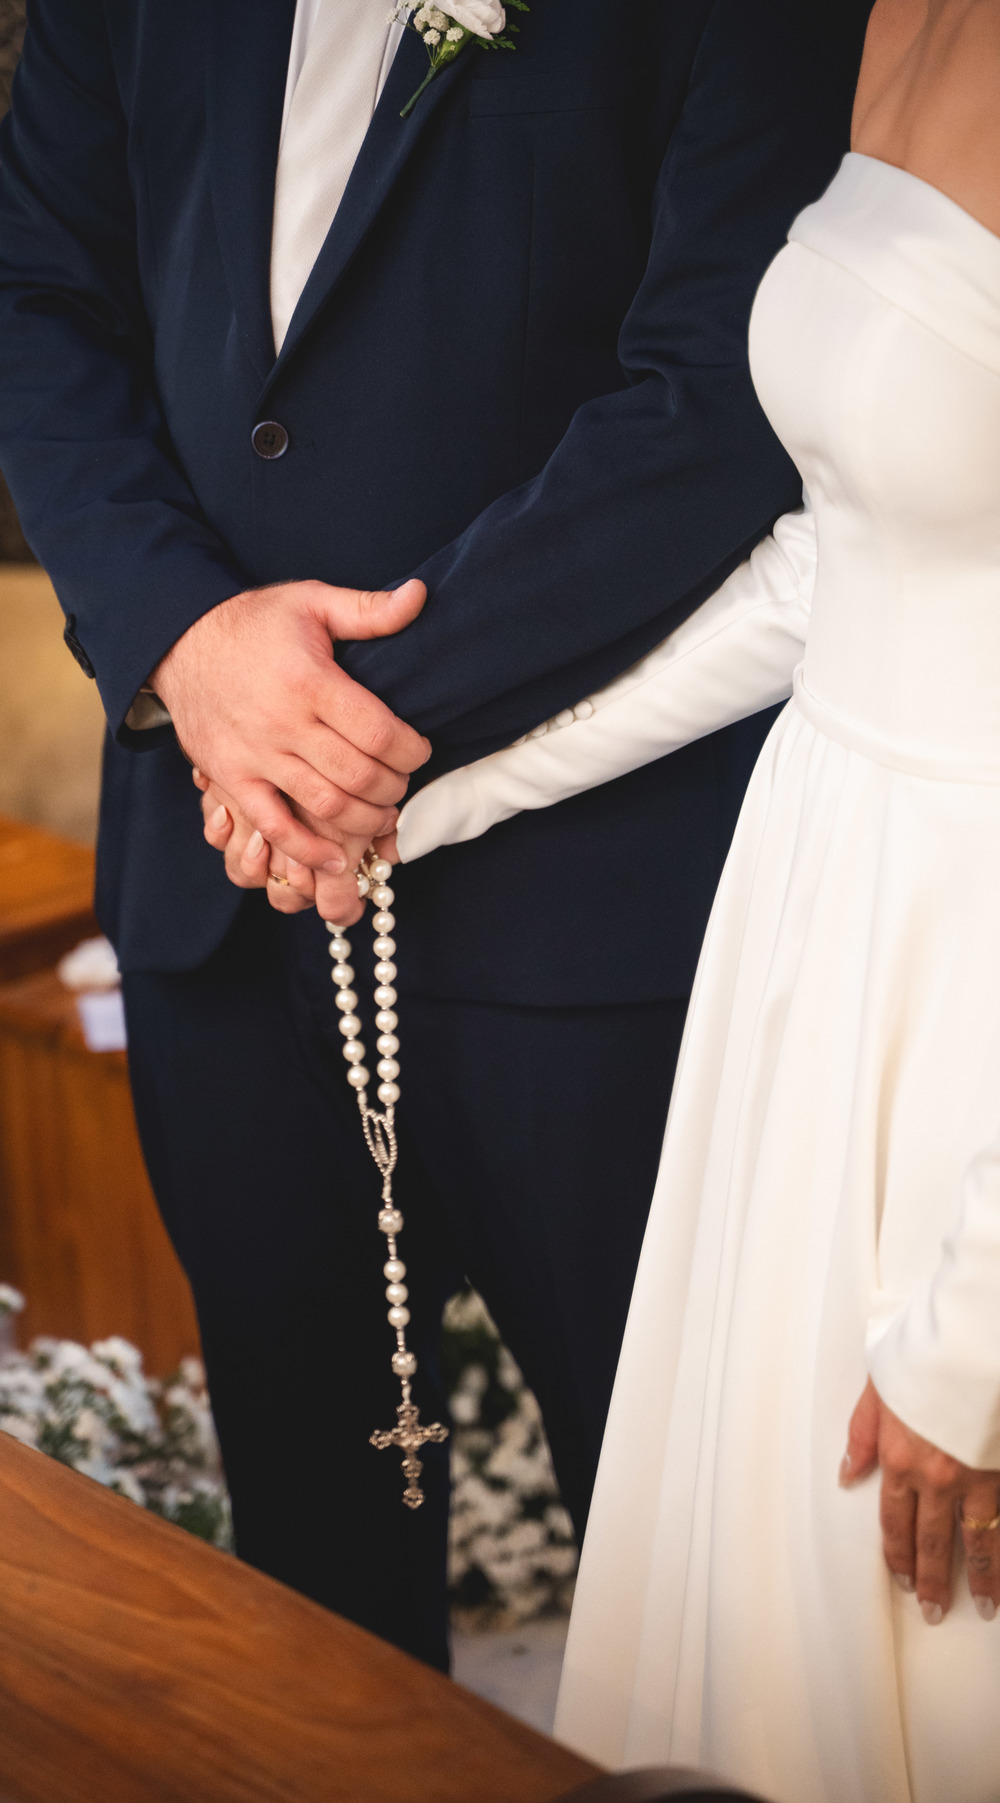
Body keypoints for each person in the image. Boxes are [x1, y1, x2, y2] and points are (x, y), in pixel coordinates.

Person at [0, 0, 870, 1669]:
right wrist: (190, 648)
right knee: (312, 1579)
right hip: (221, 906)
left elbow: (712, 398)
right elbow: (40, 303)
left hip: (599, 916)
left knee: (700, 1587)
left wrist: (309, 734)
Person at [394, 1, 1000, 1794]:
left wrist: (980, 1337)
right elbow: (830, 565)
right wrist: (429, 797)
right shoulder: (880, 18)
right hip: (815, 916)